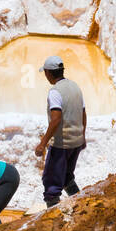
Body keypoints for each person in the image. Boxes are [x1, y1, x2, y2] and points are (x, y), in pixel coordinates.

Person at [34, 54, 86, 207]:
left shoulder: (55, 92)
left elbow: (56, 119)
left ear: (48, 73)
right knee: (67, 178)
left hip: (61, 145)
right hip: (76, 142)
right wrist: (82, 136)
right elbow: (83, 113)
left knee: (51, 183)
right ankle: (80, 205)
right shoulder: (75, 87)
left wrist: (43, 143)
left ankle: (53, 217)